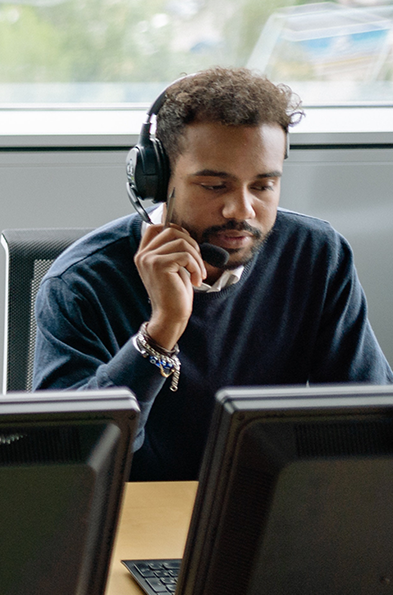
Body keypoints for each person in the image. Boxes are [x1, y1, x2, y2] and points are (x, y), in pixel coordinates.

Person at [32, 68, 391, 480]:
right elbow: (67, 459)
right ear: (159, 180)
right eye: (214, 186)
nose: (241, 210)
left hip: (266, 515)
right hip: (133, 521)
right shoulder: (81, 283)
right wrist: (161, 331)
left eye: (262, 186)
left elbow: (369, 419)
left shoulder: (316, 255)